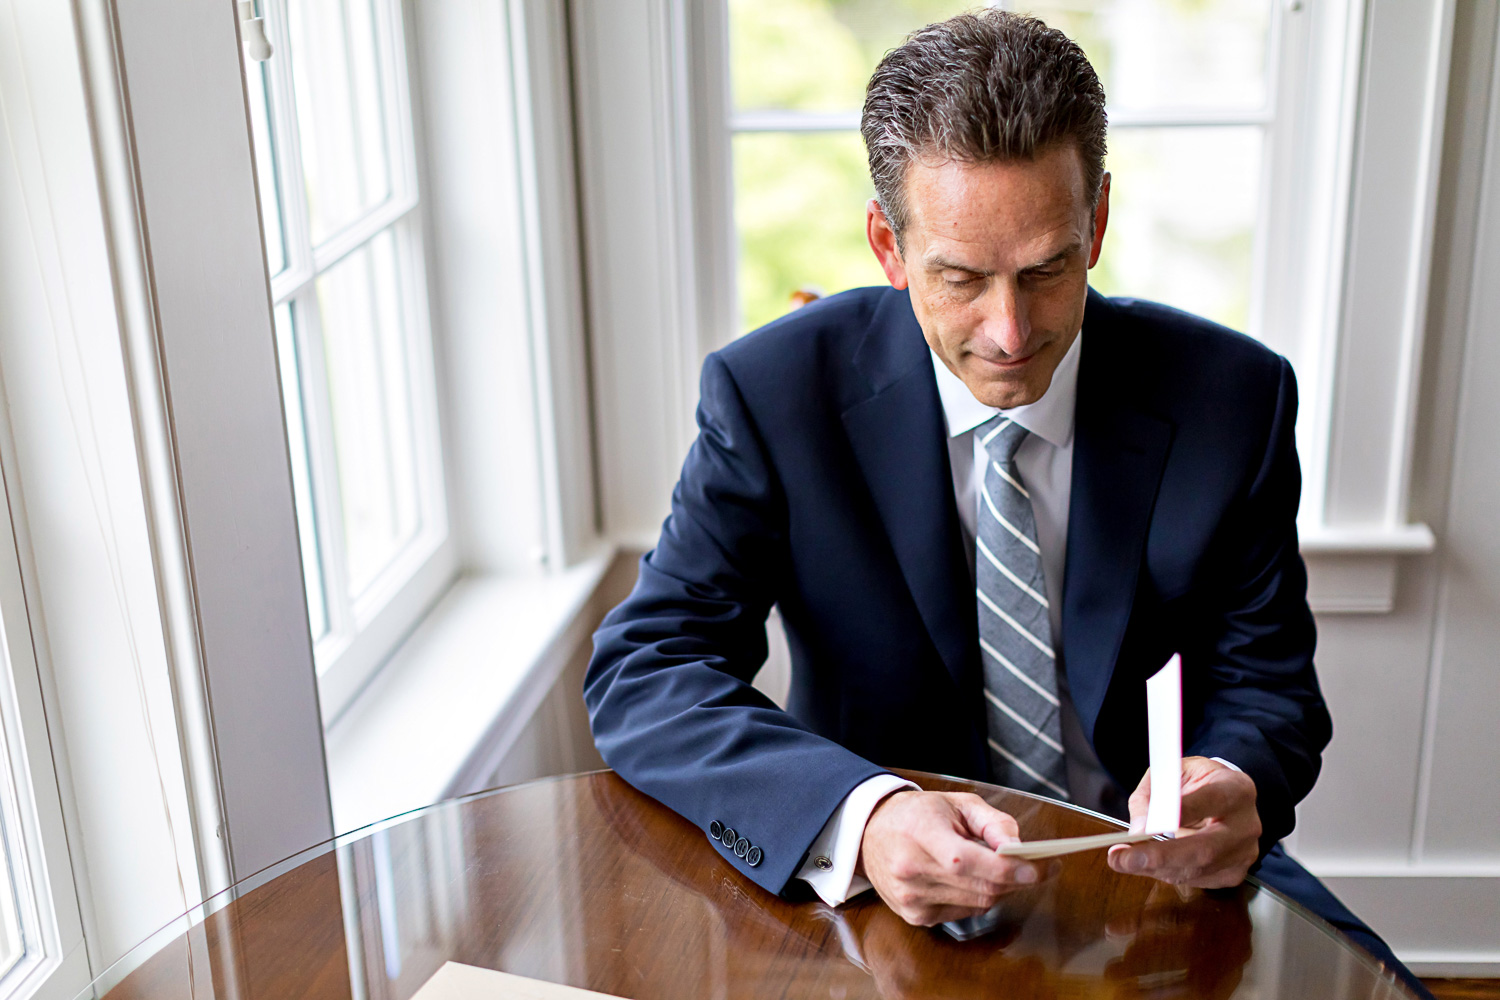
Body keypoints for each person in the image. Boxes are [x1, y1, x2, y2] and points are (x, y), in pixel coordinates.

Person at [585, 10, 1430, 998]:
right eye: (961, 278)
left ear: (1098, 223)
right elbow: (646, 669)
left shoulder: (1233, 396)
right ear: (888, 248)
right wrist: (865, 813)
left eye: (1046, 268)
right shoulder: (773, 396)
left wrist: (1236, 779)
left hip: (1163, 889)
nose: (1011, 330)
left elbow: (1272, 687)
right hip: (881, 901)